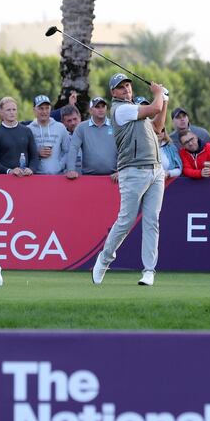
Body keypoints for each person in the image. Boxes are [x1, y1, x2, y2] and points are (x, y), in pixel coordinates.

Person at [92, 73, 168, 287]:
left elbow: (158, 127)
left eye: (128, 86)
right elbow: (153, 109)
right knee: (125, 221)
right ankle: (104, 260)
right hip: (133, 171)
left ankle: (149, 271)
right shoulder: (120, 110)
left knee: (152, 221)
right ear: (113, 93)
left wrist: (165, 103)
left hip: (155, 171)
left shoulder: (135, 109)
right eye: (121, 87)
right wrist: (159, 94)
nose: (126, 90)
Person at [65, 97, 118, 180]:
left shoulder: (115, 125)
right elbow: (73, 148)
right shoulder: (81, 127)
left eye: (103, 106)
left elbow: (124, 148)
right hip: (89, 178)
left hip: (113, 178)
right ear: (90, 110)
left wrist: (121, 171)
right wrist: (71, 169)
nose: (100, 109)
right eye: (97, 107)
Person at [0, 97, 39, 176]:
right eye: (8, 110)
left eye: (14, 109)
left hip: (25, 178)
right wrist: (8, 171)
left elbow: (34, 156)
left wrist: (31, 169)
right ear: (1, 112)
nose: (12, 112)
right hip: (5, 180)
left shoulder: (27, 131)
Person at [28, 95, 69, 175]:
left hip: (57, 176)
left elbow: (67, 150)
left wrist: (60, 166)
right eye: (41, 108)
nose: (44, 111)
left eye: (47, 108)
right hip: (36, 176)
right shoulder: (28, 129)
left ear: (50, 109)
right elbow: (24, 154)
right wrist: (37, 153)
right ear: (34, 110)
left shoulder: (60, 127)